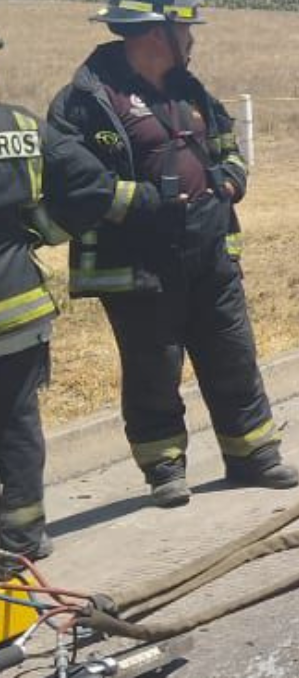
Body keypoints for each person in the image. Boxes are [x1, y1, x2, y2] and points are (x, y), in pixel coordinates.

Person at [48, 0, 299, 508]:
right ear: (159, 32)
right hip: (140, 260)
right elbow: (70, 177)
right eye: (187, 29)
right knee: (152, 367)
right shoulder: (86, 100)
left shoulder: (189, 89)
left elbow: (226, 139)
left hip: (209, 250)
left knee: (232, 353)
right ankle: (164, 469)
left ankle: (253, 454)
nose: (193, 39)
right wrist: (141, 202)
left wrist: (231, 176)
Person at [0, 36, 132, 569]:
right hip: (20, 309)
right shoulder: (23, 127)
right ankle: (23, 538)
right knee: (16, 424)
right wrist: (41, 233)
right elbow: (88, 188)